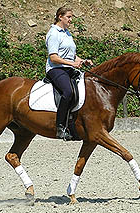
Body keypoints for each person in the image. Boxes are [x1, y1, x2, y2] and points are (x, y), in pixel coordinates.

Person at [45, 6, 93, 140]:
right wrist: (72, 63)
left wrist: (82, 61)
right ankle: (60, 127)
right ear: (60, 17)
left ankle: (74, 123)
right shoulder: (54, 33)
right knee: (68, 92)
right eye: (69, 17)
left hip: (68, 68)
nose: (71, 20)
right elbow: (53, 57)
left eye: (71, 17)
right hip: (56, 69)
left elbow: (72, 55)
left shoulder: (66, 33)